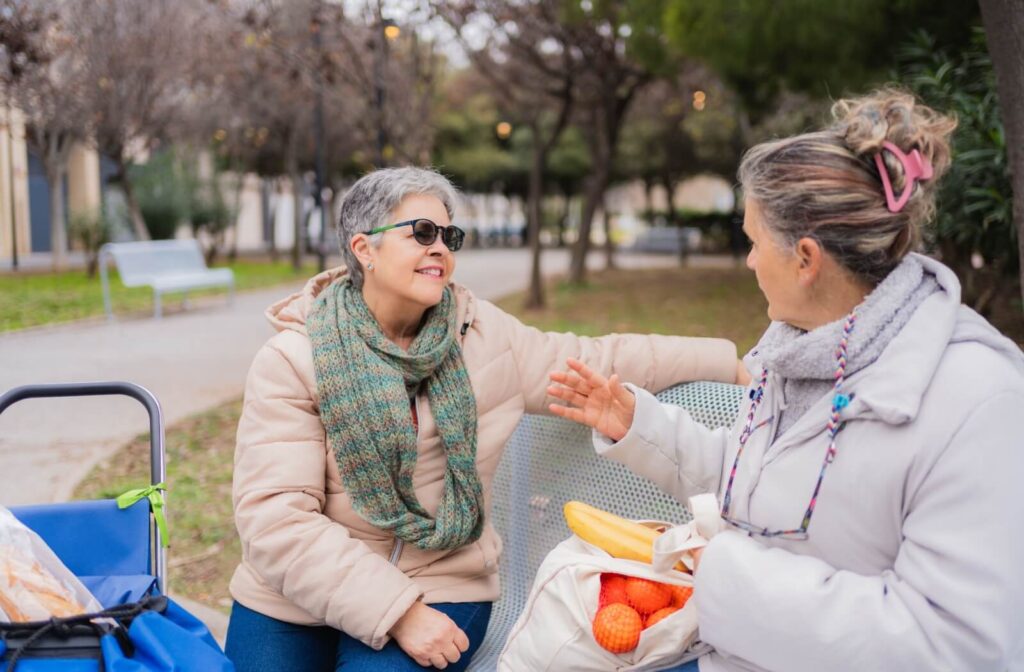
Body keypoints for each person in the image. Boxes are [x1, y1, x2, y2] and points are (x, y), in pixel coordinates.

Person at [547, 89, 1024, 671]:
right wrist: (636, 424)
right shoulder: (803, 350)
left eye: (752, 242)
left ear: (806, 259)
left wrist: (726, 576)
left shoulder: (978, 401)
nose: (747, 262)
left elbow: (953, 646)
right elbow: (763, 480)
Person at [223, 166, 747, 672]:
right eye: (422, 232)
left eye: (449, 235)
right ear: (365, 249)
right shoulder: (294, 358)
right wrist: (394, 611)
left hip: (441, 583)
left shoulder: (485, 337)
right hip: (293, 596)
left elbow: (599, 359)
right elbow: (277, 520)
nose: (440, 248)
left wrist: (733, 362)